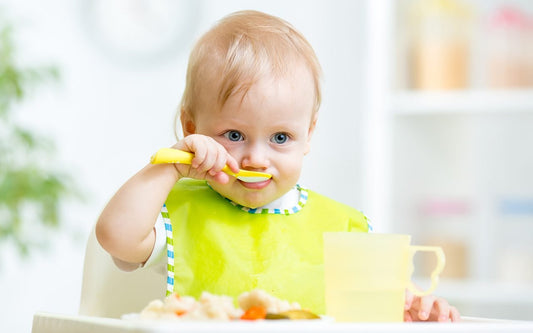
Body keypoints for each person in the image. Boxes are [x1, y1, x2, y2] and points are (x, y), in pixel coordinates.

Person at [96, 10, 460, 322]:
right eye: (234, 135)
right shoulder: (178, 211)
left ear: (308, 135)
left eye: (281, 137)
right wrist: (170, 165)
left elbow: (376, 313)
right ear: (192, 128)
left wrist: (411, 313)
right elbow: (115, 236)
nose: (256, 158)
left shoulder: (344, 230)